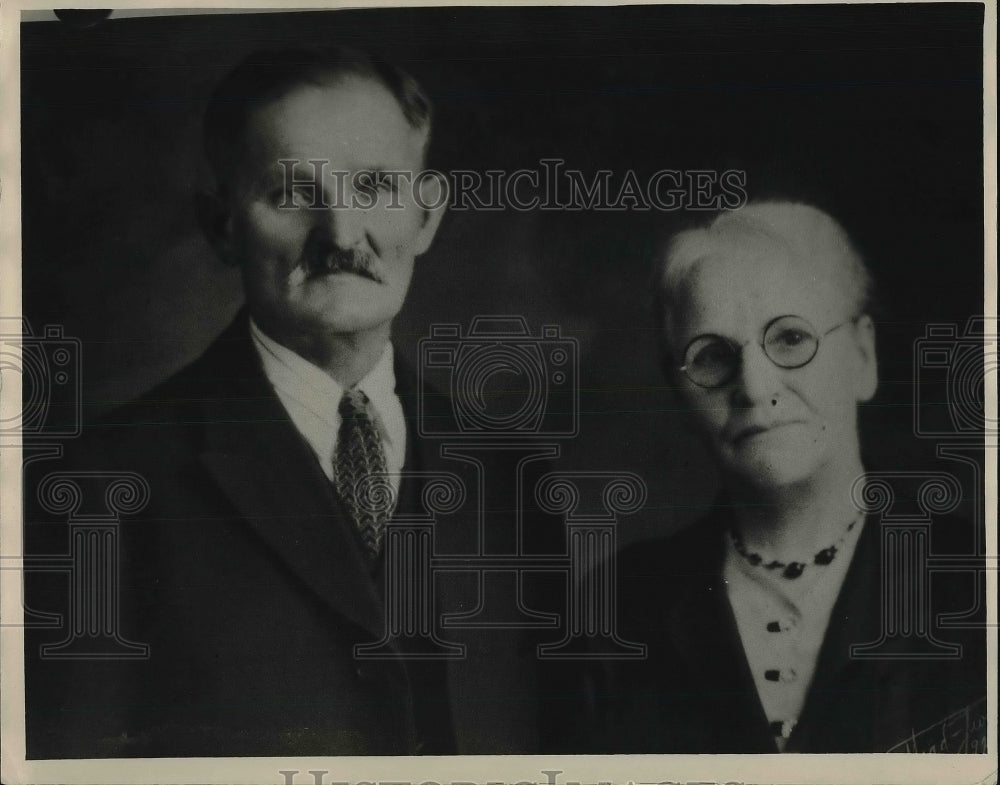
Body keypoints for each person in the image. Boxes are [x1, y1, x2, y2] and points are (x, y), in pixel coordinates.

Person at [24, 47, 551, 758]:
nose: (340, 234)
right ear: (220, 226)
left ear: (426, 217)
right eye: (294, 193)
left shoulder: (511, 474)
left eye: (374, 186)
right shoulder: (101, 485)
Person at [570, 201, 986, 753]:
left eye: (790, 338)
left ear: (863, 356)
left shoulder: (977, 582)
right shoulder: (617, 609)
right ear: (679, 394)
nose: (754, 386)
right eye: (712, 355)